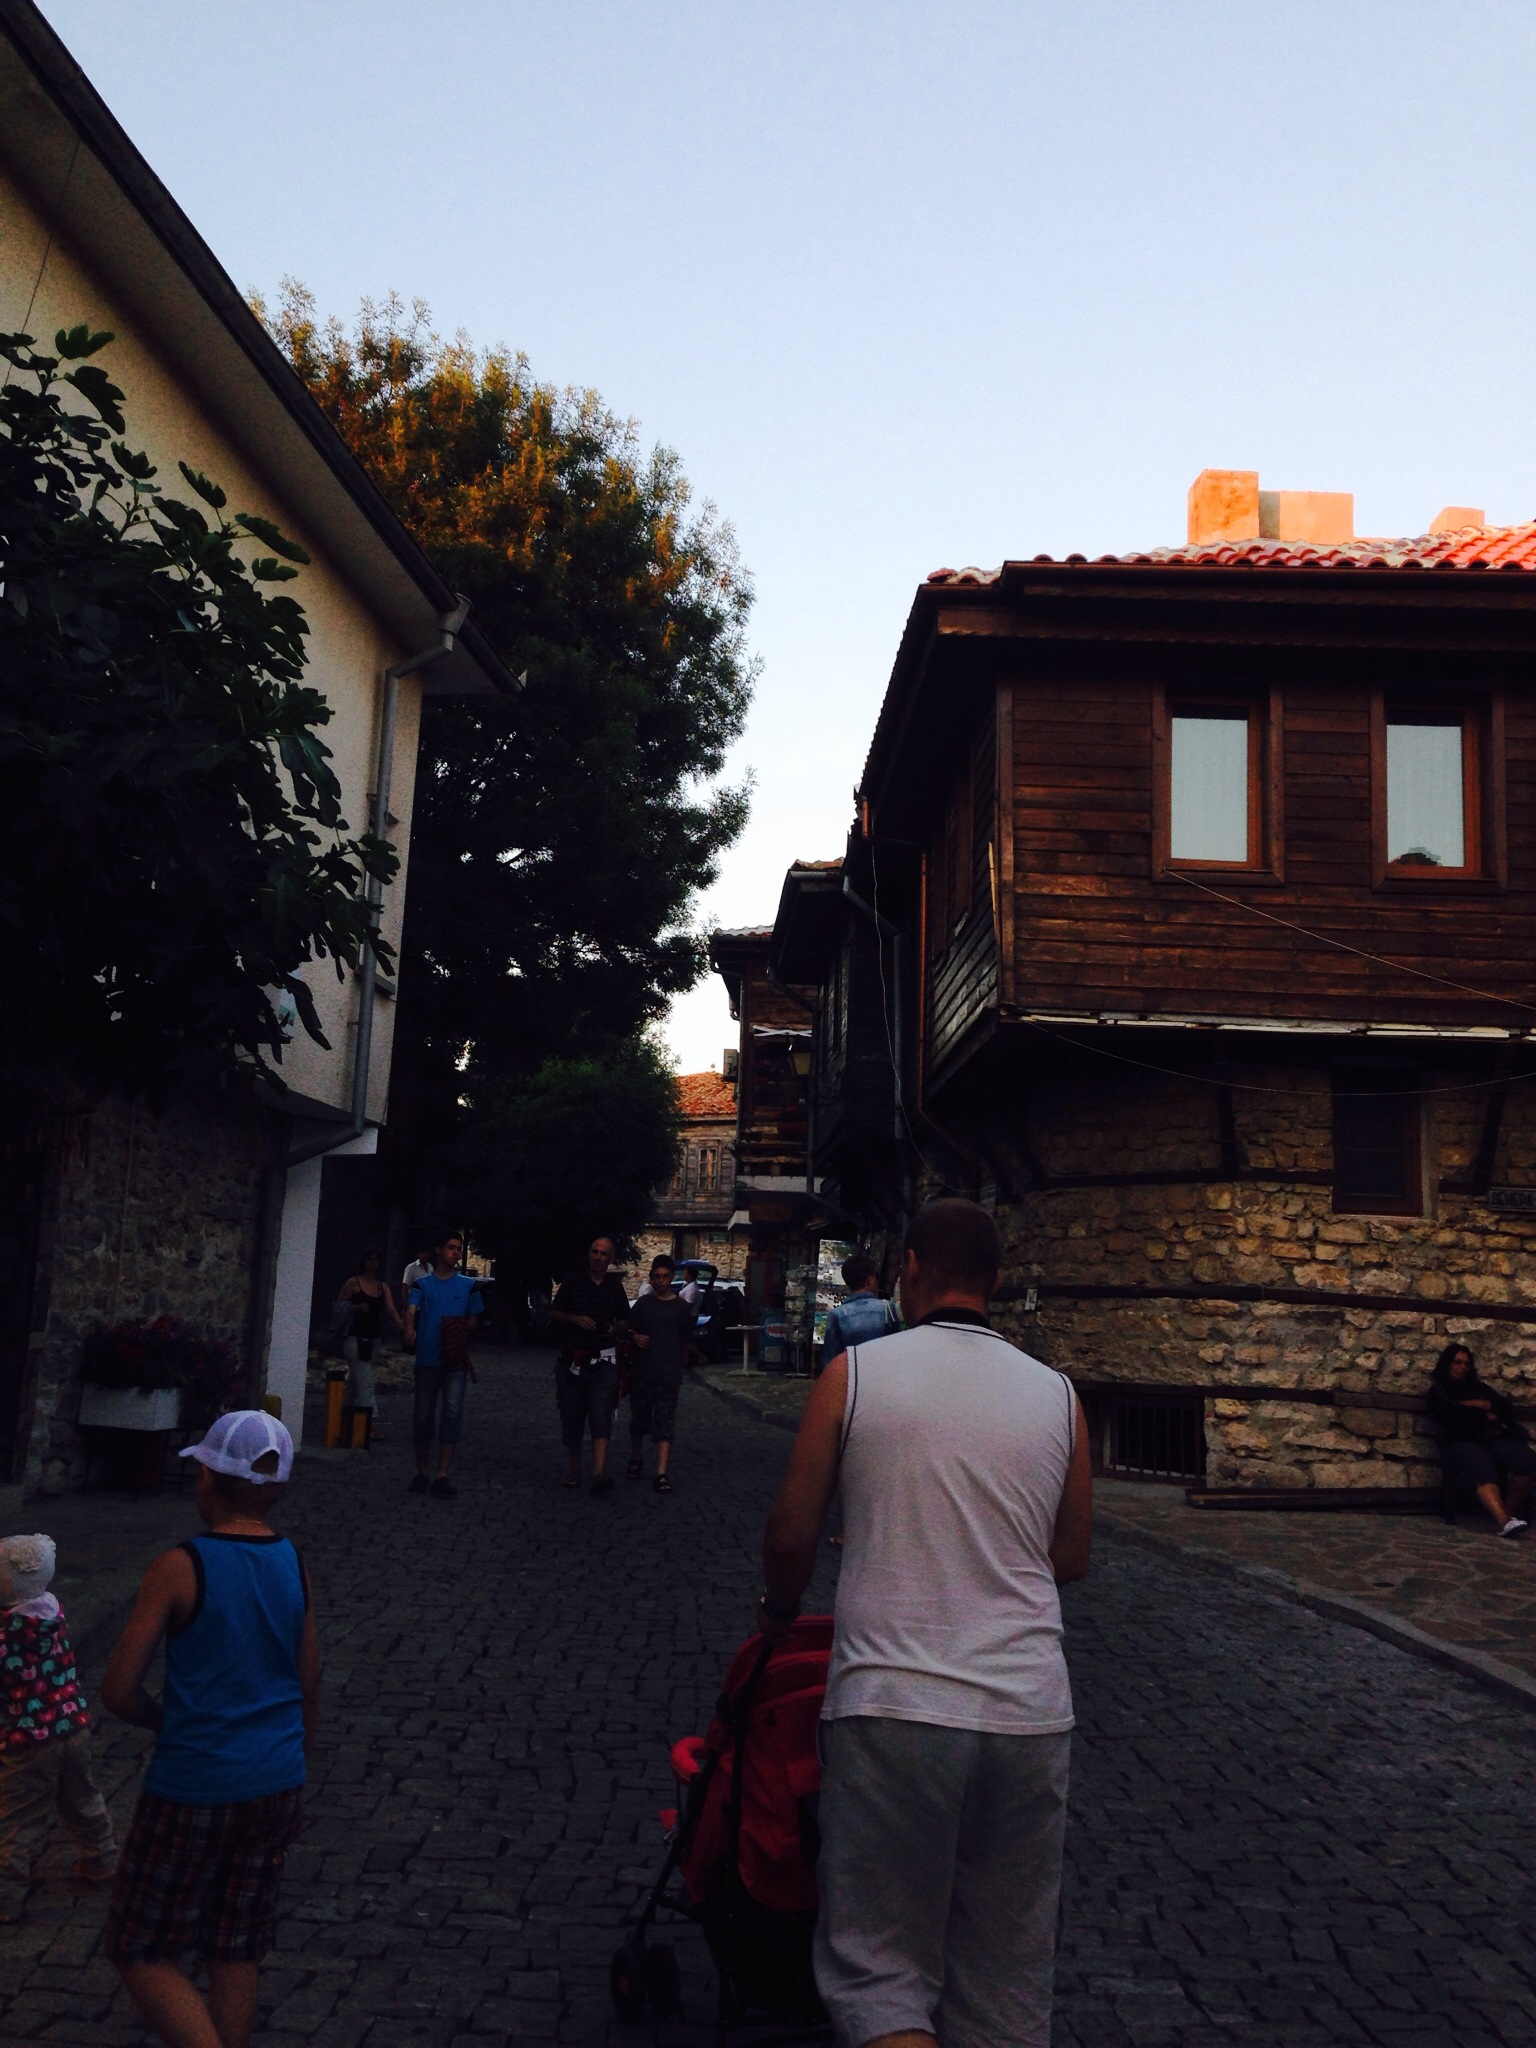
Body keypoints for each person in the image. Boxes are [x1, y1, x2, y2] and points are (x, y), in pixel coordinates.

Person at [761, 1198, 1092, 2048]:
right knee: (1005, 1983)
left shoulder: (855, 1377)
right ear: (996, 1281)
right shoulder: (1059, 1398)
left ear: (909, 1270)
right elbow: (1069, 1554)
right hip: (1028, 1714)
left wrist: (779, 1610)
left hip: (894, 1706)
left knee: (882, 1973)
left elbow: (791, 1533)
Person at [100, 1411, 318, 2048]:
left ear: (206, 1478)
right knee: (236, 1942)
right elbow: (308, 1683)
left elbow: (118, 1690)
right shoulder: (292, 1562)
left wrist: (163, 1720)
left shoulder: (180, 1566)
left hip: (195, 1783)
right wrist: (295, 1763)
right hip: (276, 1781)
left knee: (140, 1945)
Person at [0, 1532, 117, 1923]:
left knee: (18, 1819)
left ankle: (6, 1895)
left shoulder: (7, 1639)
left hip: (28, 1741)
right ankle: (100, 1859)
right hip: (72, 1725)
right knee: (82, 1797)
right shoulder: (52, 1615)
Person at [402, 1232, 483, 1499]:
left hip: (455, 1360)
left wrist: (460, 1327)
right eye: (451, 1247)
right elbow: (411, 1308)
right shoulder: (422, 1284)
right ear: (438, 1250)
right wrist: (409, 1327)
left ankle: (442, 1473)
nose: (455, 1252)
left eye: (459, 1248)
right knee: (422, 1416)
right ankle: (422, 1471)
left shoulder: (469, 1285)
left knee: (452, 1415)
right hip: (428, 1359)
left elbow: (475, 1319)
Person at [548, 1236, 631, 1495]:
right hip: (572, 1361)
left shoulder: (615, 1289)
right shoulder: (573, 1282)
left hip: (602, 1362)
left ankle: (598, 1472)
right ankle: (574, 1469)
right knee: (572, 1416)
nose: (598, 1257)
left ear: (610, 1259)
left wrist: (615, 1328)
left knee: (601, 1414)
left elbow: (626, 1319)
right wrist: (574, 1319)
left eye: (603, 1254)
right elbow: (554, 1312)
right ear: (589, 1254)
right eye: (594, 1251)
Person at [1427, 1342, 1535, 1536]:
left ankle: (1506, 1513)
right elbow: (1452, 1417)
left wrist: (1478, 1404)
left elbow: (1504, 1407)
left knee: (1529, 1464)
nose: (1462, 1367)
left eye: (1466, 1364)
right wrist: (1485, 1414)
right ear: (1447, 1364)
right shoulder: (1439, 1391)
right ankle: (1503, 1521)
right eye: (1457, 1362)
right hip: (1462, 1440)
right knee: (1484, 1471)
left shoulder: (1479, 1388)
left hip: (1493, 1438)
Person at [627, 1255, 697, 1493]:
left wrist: (685, 1361)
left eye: (665, 1276)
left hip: (668, 1373)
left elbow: (685, 1337)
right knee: (639, 1418)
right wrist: (634, 1337)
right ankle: (635, 1458)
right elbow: (627, 1328)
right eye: (657, 1276)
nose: (661, 1281)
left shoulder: (681, 1308)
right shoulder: (644, 1304)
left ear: (671, 1277)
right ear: (652, 1278)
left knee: (665, 1422)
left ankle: (661, 1471)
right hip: (643, 1371)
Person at [334, 1248, 402, 1442]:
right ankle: (370, 1421)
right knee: (365, 1380)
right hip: (354, 1337)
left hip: (373, 1338)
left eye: (376, 1259)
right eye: (369, 1259)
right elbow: (339, 1306)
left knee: (357, 1382)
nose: (373, 1262)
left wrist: (402, 1327)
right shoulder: (353, 1283)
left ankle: (340, 1416)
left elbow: (390, 1310)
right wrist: (356, 1307)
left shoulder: (382, 1287)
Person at [819, 1250, 899, 1369]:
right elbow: (897, 1349)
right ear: (869, 1280)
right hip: (883, 1373)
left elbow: (829, 1360)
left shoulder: (837, 1315)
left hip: (851, 1375)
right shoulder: (887, 1308)